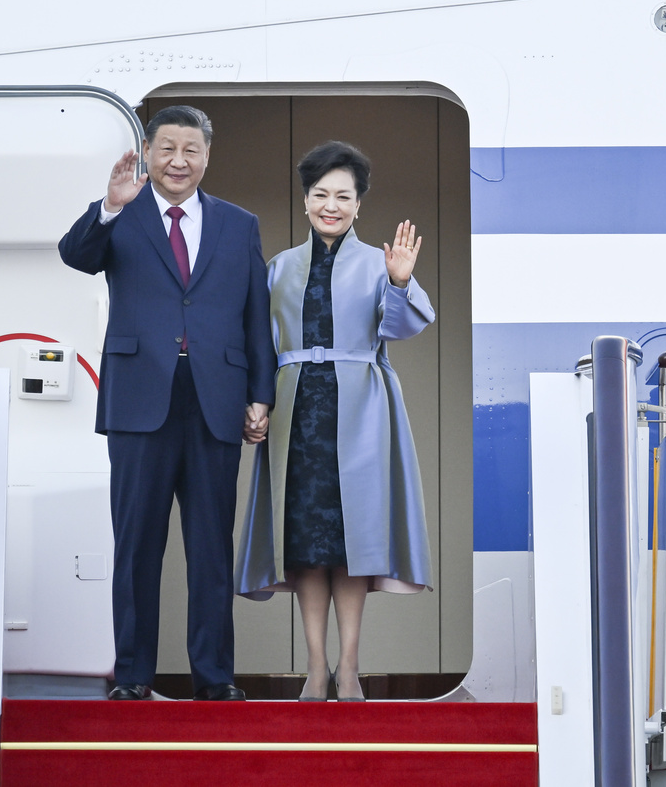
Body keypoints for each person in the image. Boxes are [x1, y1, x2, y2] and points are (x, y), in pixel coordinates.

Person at [59, 105, 276, 702]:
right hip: (139, 399)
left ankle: (215, 676)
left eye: (191, 150)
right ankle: (132, 676)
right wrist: (109, 206)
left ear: (206, 156)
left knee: (210, 546)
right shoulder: (121, 214)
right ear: (148, 154)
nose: (178, 161)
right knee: (136, 545)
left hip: (215, 400)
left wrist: (260, 394)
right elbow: (75, 255)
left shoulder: (238, 224)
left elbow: (255, 315)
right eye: (167, 149)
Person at [234, 141, 434, 702]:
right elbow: (260, 345)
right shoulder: (279, 267)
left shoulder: (379, 262)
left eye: (343, 196)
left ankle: (348, 667)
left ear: (358, 204)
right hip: (297, 412)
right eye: (321, 194)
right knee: (304, 542)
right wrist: (256, 402)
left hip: (361, 410)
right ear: (305, 201)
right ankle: (316, 667)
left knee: (351, 539)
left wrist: (400, 282)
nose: (331, 205)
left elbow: (401, 327)